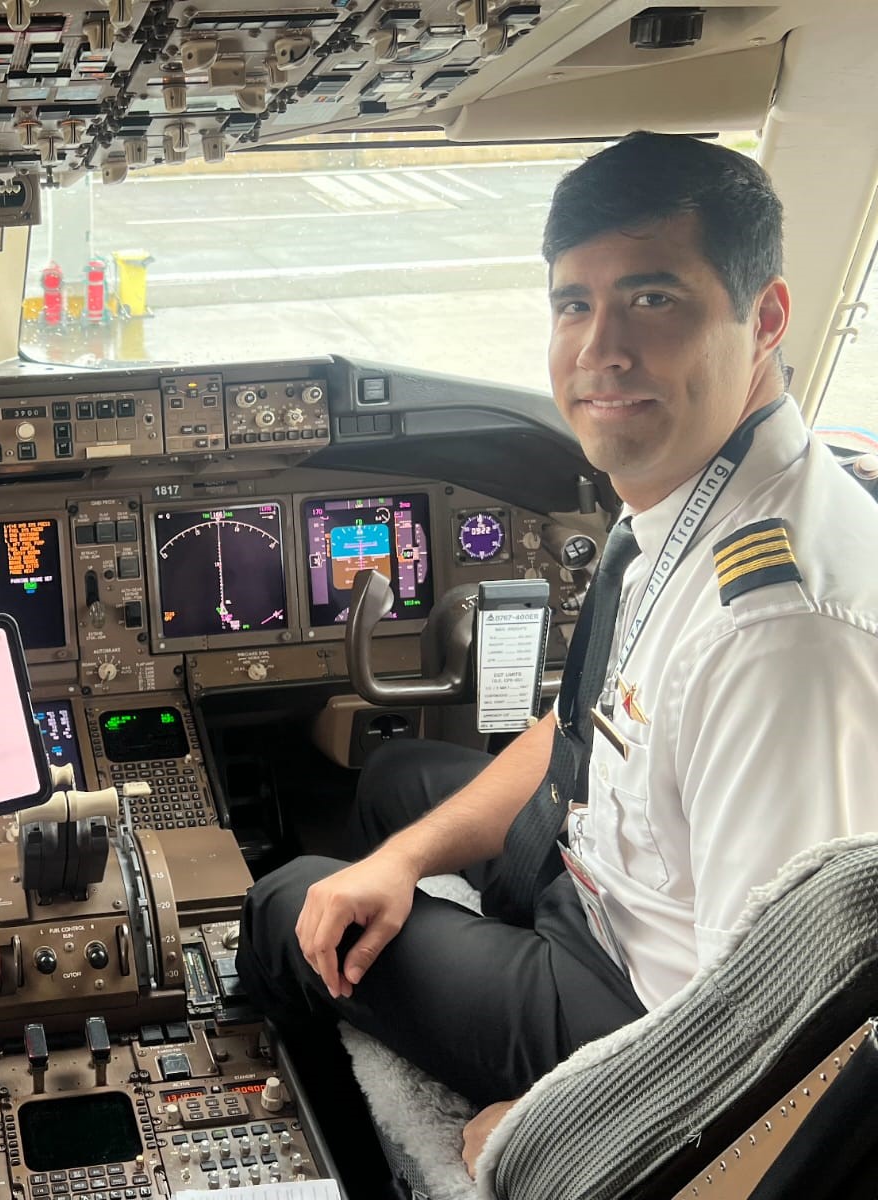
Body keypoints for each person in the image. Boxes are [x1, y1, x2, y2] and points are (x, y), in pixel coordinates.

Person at [237, 132, 878, 1174]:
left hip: (637, 1008)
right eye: (573, 303)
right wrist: (401, 863)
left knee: (286, 904)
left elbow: (789, 1023)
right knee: (396, 783)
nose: (599, 349)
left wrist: (563, 1130)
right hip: (599, 873)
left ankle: (330, 1151)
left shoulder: (778, 638)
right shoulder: (685, 506)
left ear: (762, 318)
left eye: (653, 299)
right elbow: (581, 728)